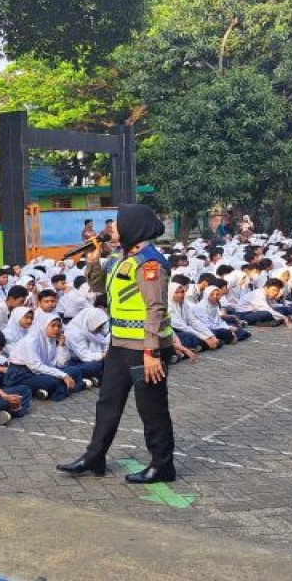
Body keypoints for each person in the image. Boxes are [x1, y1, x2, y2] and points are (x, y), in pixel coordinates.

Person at [58, 204, 177, 484]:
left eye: (116, 223)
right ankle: (94, 456)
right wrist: (93, 262)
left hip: (145, 348)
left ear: (132, 227)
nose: (111, 227)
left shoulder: (150, 262)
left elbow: (155, 309)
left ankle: (163, 465)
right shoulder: (120, 257)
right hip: (120, 344)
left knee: (151, 409)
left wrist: (152, 352)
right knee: (107, 403)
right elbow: (100, 288)